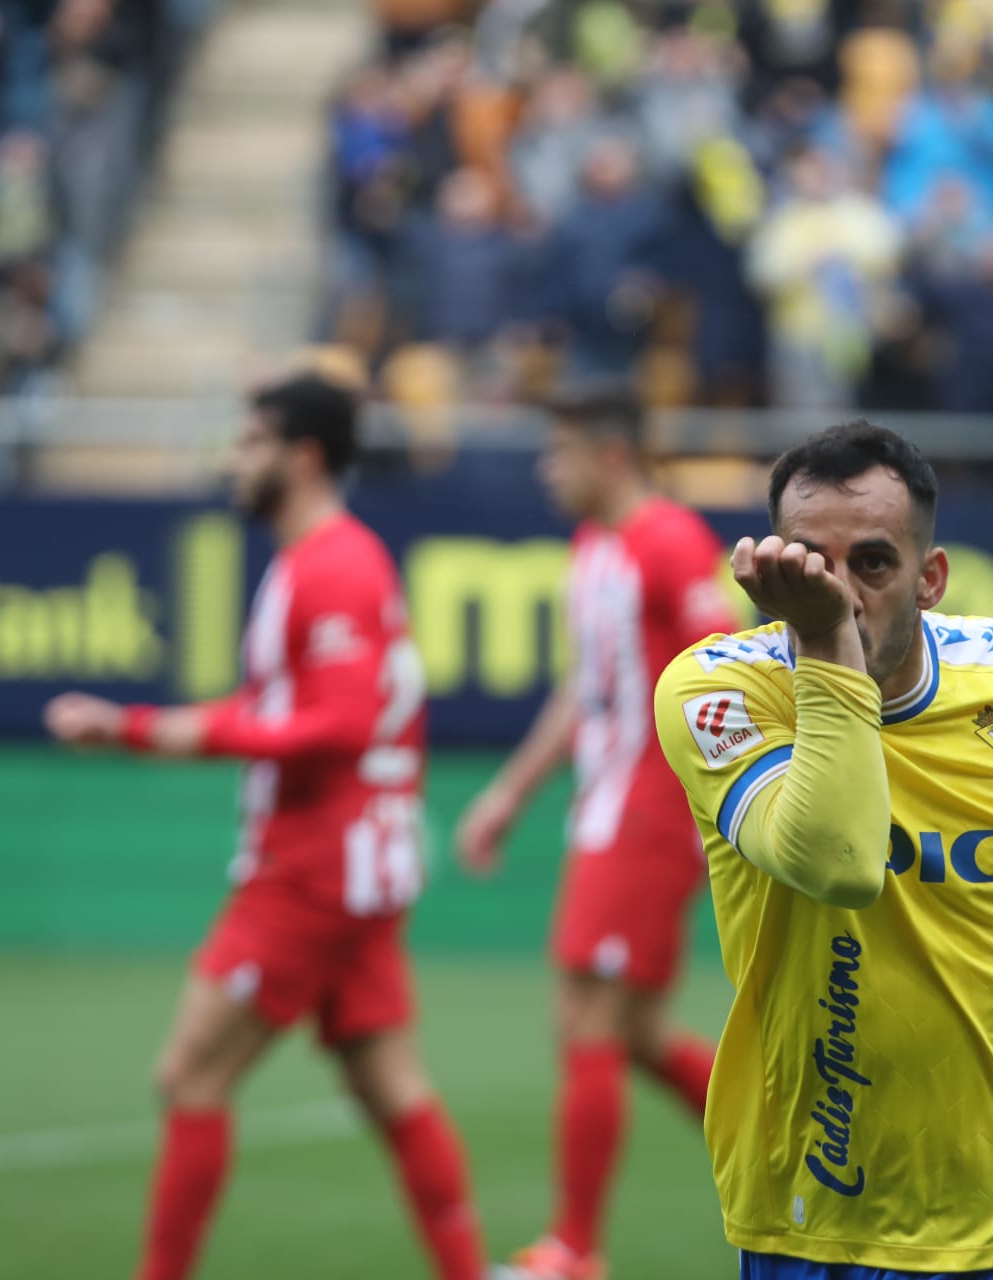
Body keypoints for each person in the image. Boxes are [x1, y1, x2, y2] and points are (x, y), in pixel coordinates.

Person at [652, 421, 993, 1278]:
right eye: (812, 563)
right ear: (773, 573)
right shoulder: (719, 693)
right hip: (813, 1215)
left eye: (873, 563)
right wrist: (830, 651)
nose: (839, 592)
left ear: (931, 578)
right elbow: (836, 864)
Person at [42, 373, 485, 1280]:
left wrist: (141, 731)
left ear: (304, 455)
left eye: (249, 443)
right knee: (387, 1084)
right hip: (356, 867)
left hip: (313, 870)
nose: (233, 462)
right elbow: (291, 707)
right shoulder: (318, 560)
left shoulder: (332, 564)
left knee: (191, 1077)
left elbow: (339, 724)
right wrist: (148, 728)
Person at [456, 387, 737, 1280]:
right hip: (606, 807)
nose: (548, 468)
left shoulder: (669, 542)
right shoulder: (593, 548)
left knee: (587, 1017)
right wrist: (509, 794)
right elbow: (584, 691)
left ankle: (574, 1251)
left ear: (610, 456)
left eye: (561, 451)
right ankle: (802, 1150)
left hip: (652, 813)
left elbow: (721, 676)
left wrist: (717, 814)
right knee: (636, 1030)